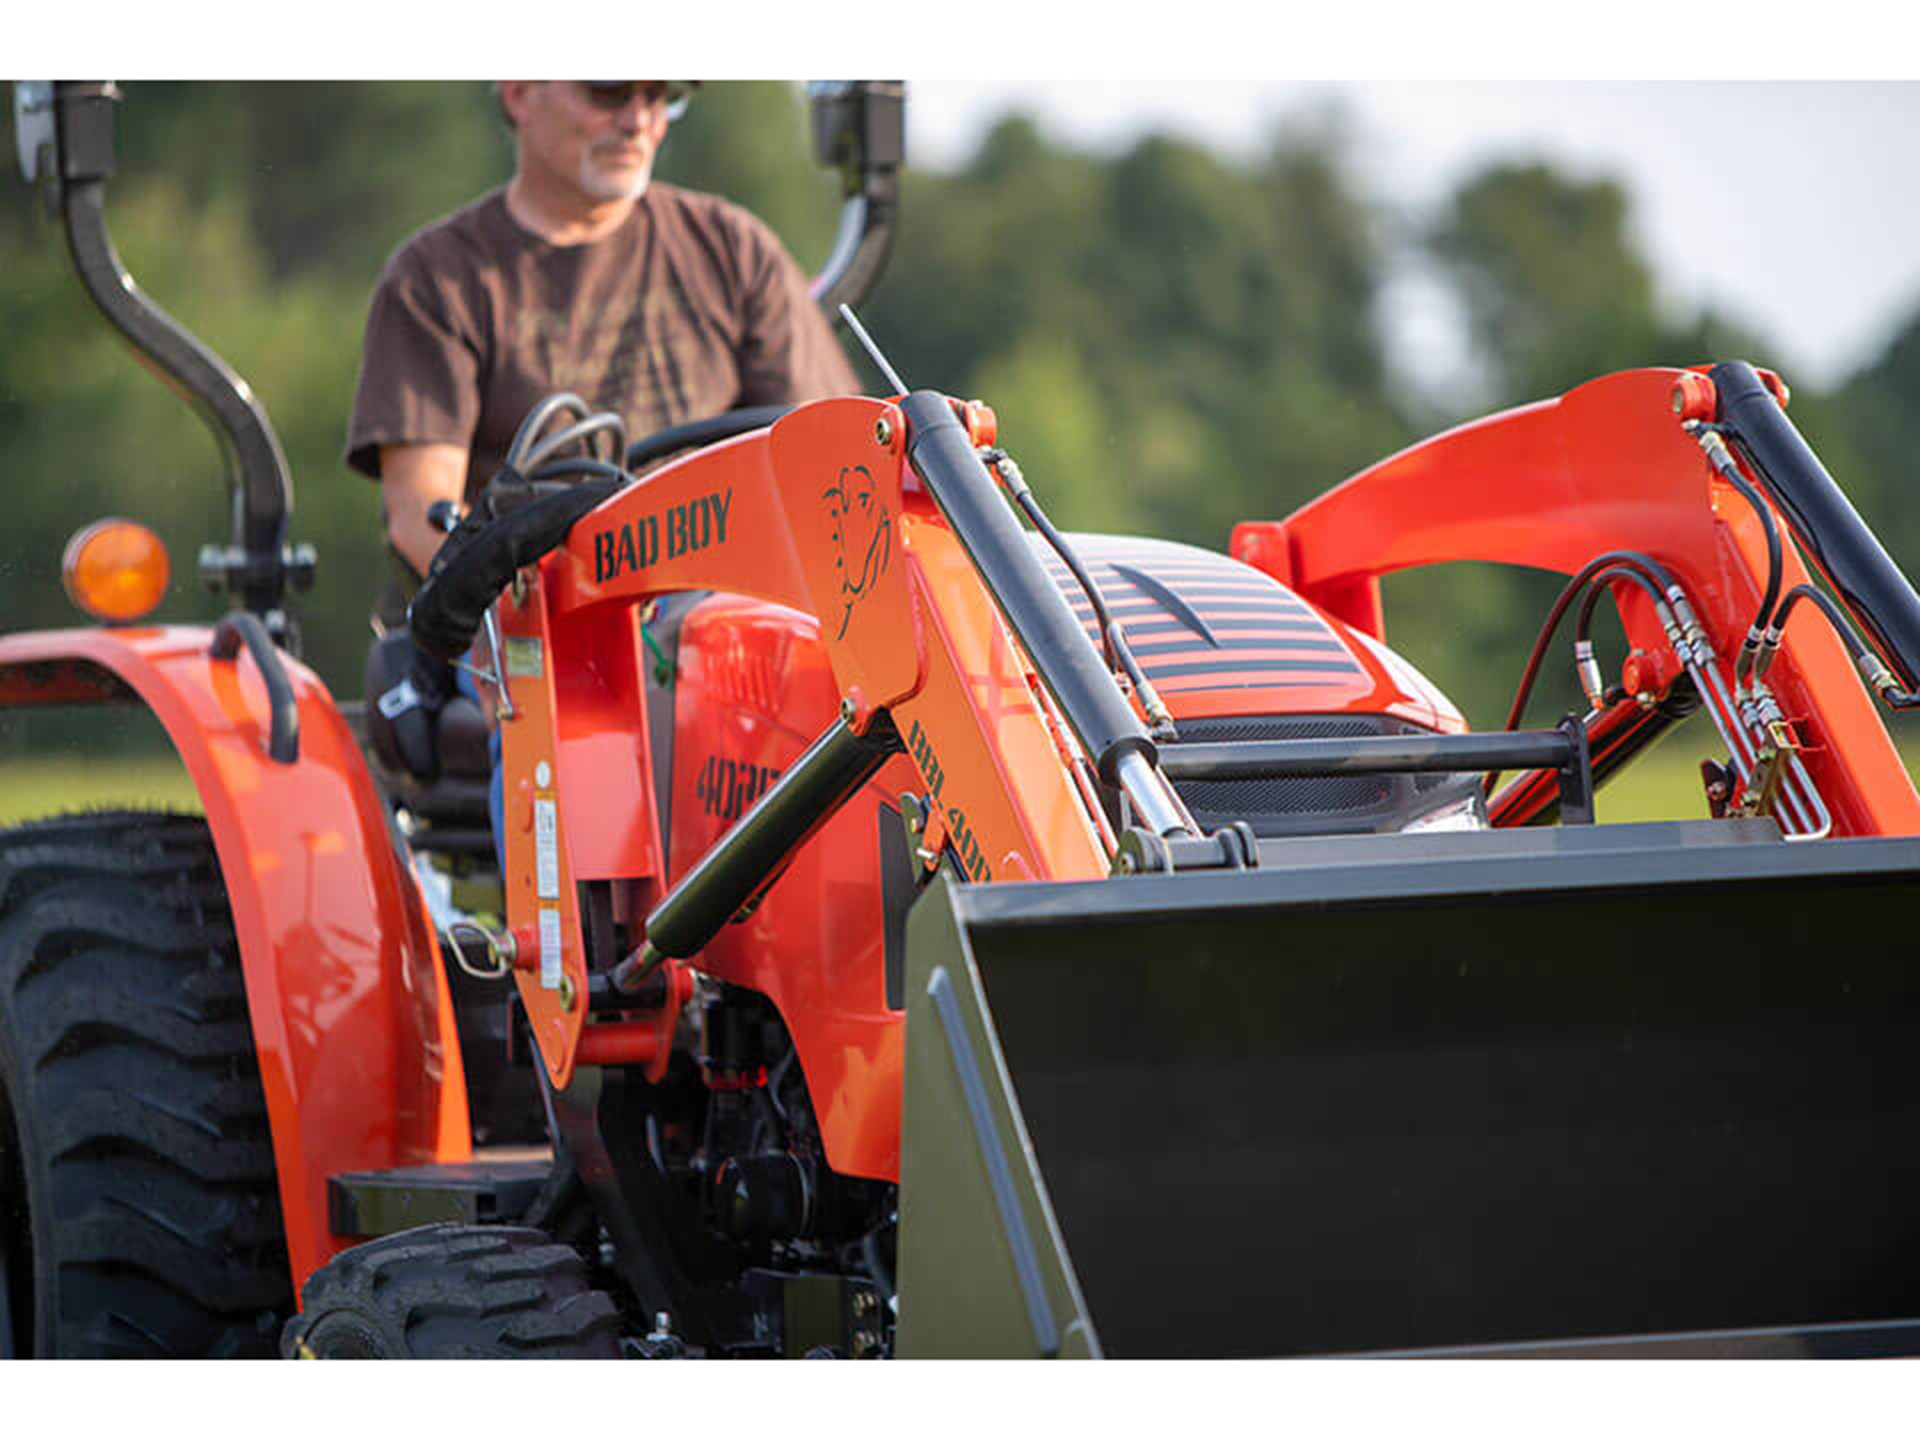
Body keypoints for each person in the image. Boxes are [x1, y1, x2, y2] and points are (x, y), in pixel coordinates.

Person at [346, 79, 861, 619]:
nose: (638, 122)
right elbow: (423, 519)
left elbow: (831, 470)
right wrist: (553, 624)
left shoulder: (734, 249)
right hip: (528, 634)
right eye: (608, 93)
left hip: (725, 624)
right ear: (519, 92)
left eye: (659, 96)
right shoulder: (436, 278)